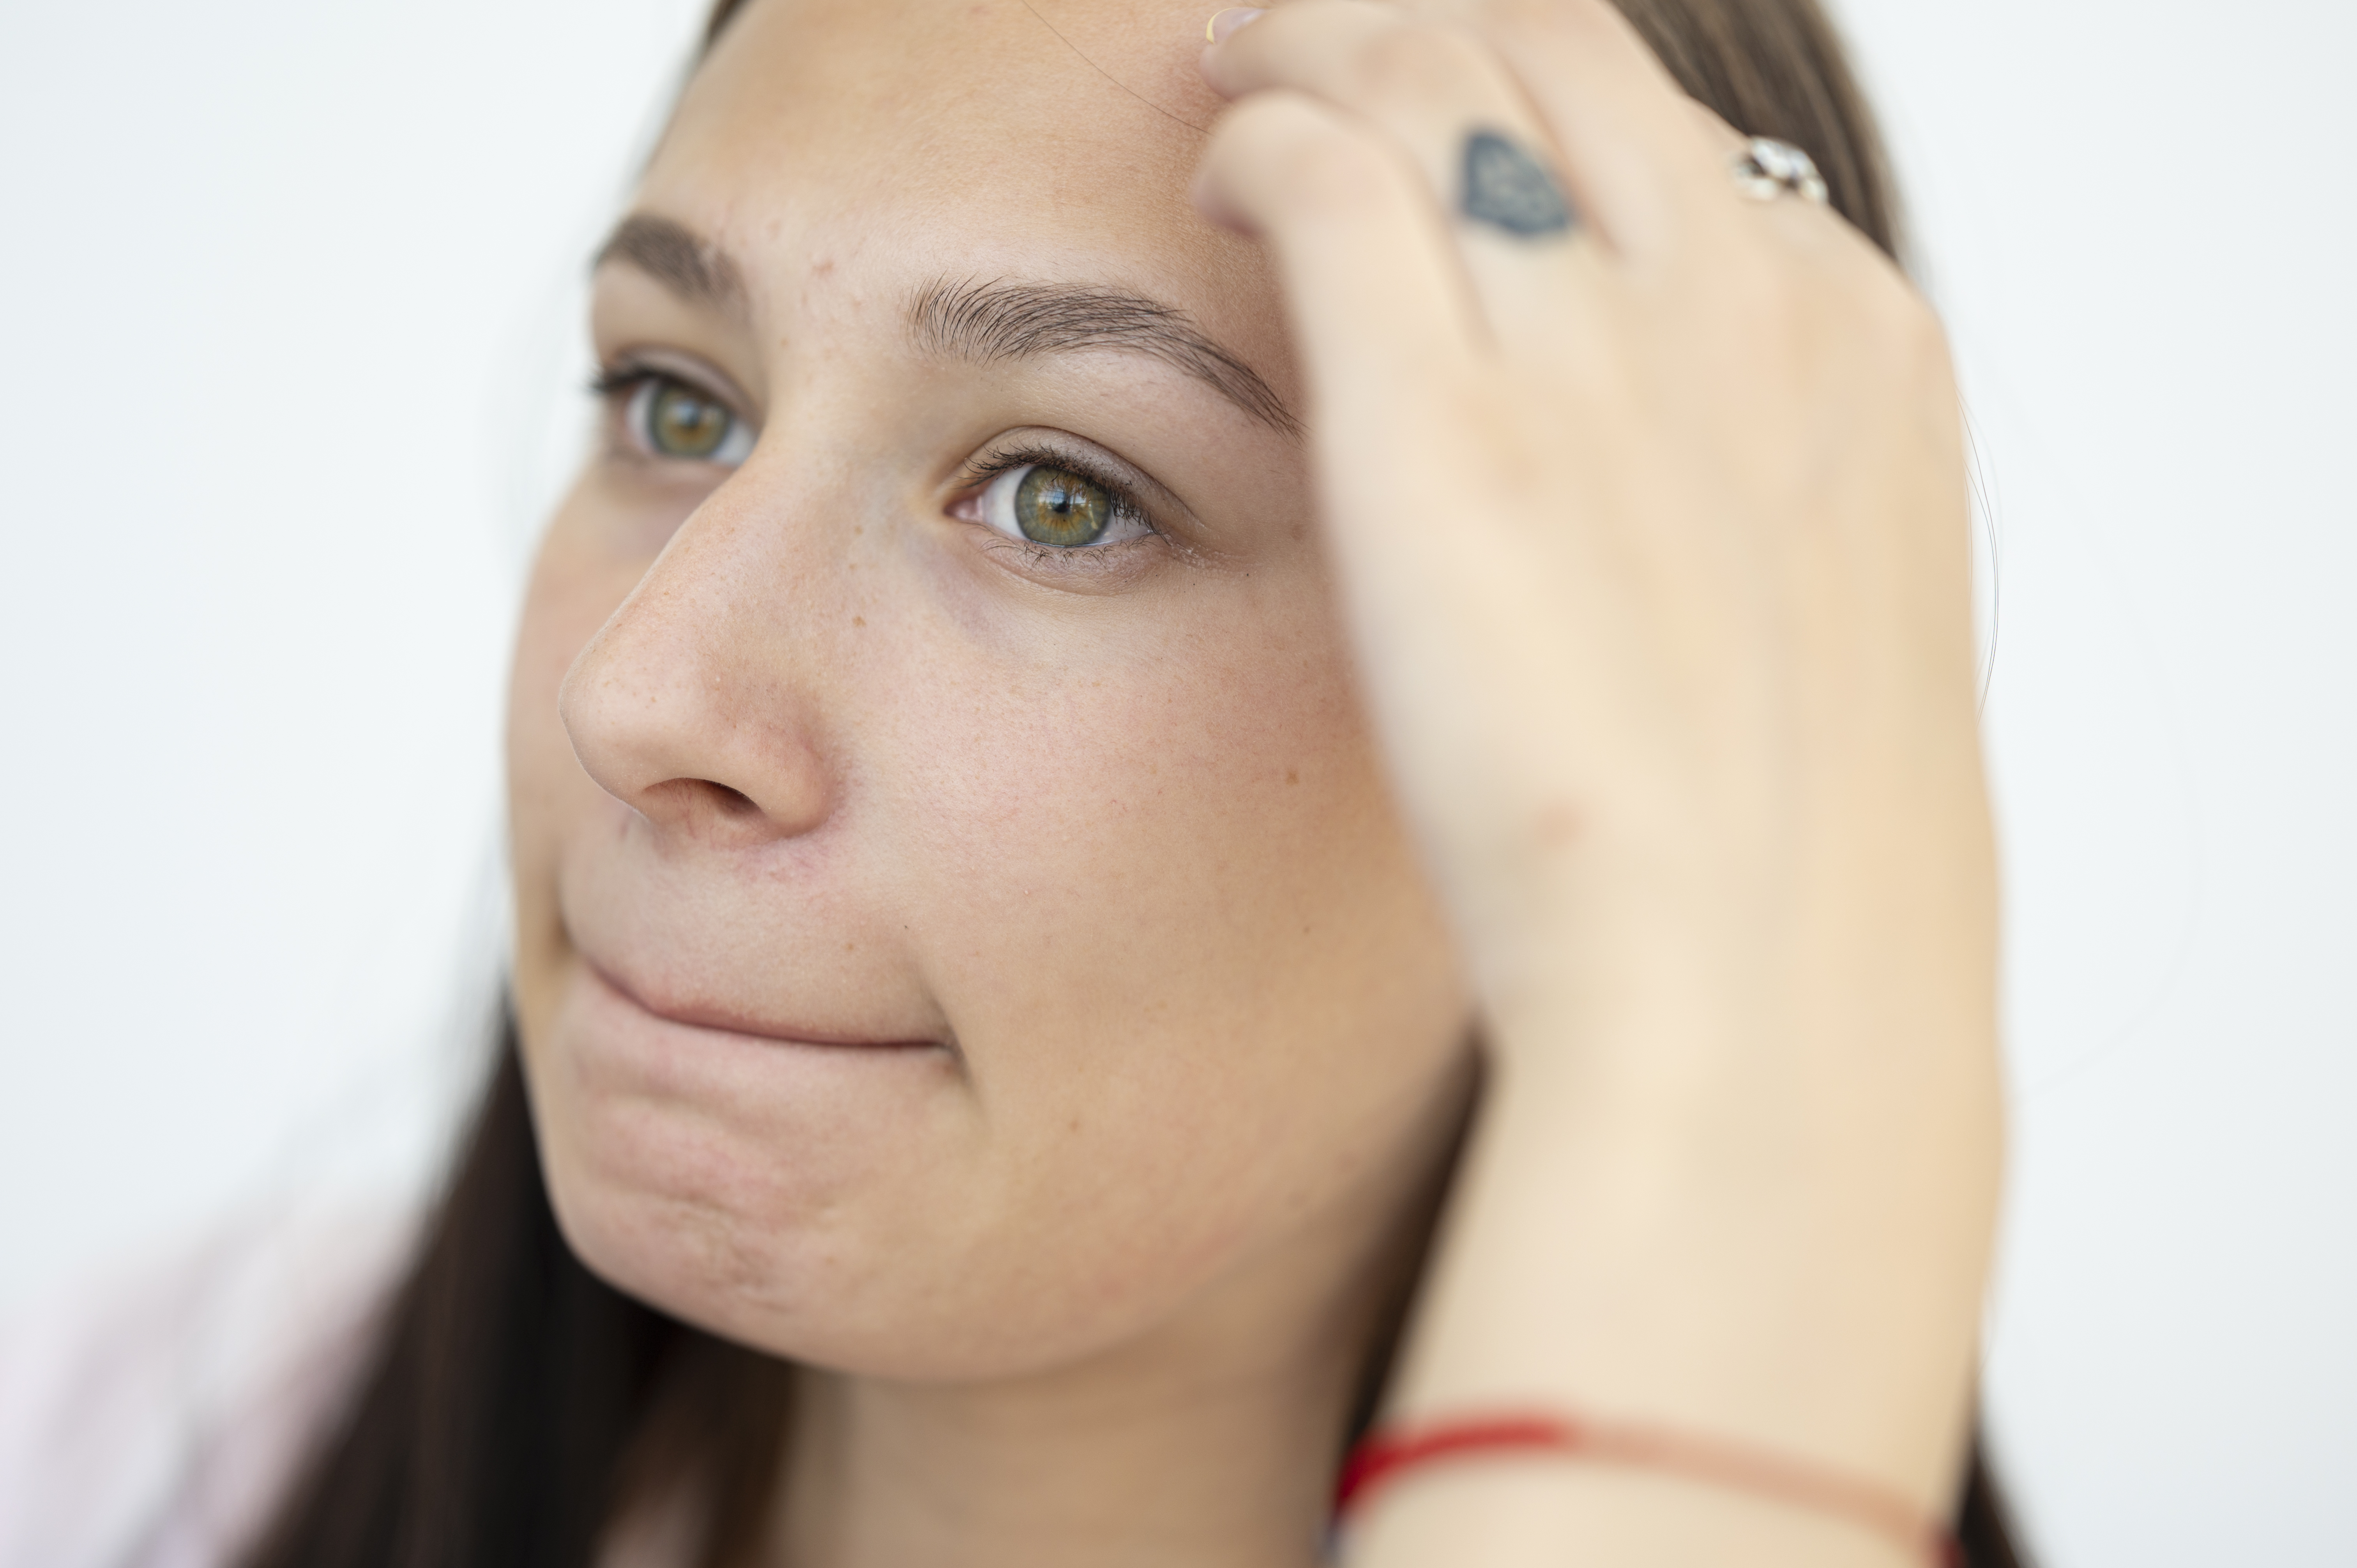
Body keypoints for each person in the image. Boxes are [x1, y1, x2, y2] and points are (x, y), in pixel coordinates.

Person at [5, 1, 2027, 1564]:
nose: (646, 694)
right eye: (673, 401)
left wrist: (1791, 1083)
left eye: (1065, 495)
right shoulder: (119, 1446)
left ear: (1653, 705)